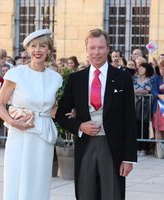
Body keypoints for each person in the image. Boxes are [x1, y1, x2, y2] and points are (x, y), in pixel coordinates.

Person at [56, 28, 137, 200]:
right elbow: (61, 114)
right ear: (87, 49)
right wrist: (79, 126)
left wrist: (129, 158)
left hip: (113, 146)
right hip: (85, 145)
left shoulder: (123, 78)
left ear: (108, 49)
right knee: (85, 193)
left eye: (101, 48)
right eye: (92, 48)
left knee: (112, 194)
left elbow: (130, 119)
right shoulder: (75, 79)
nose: (96, 52)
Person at [0, 29, 62, 200]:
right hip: (20, 135)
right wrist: (12, 122)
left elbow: (54, 110)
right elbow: (0, 105)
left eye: (42, 46)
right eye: (33, 46)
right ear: (28, 49)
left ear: (49, 50)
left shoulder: (55, 78)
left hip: (44, 136)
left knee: (39, 181)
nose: (37, 50)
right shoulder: (16, 74)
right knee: (17, 179)